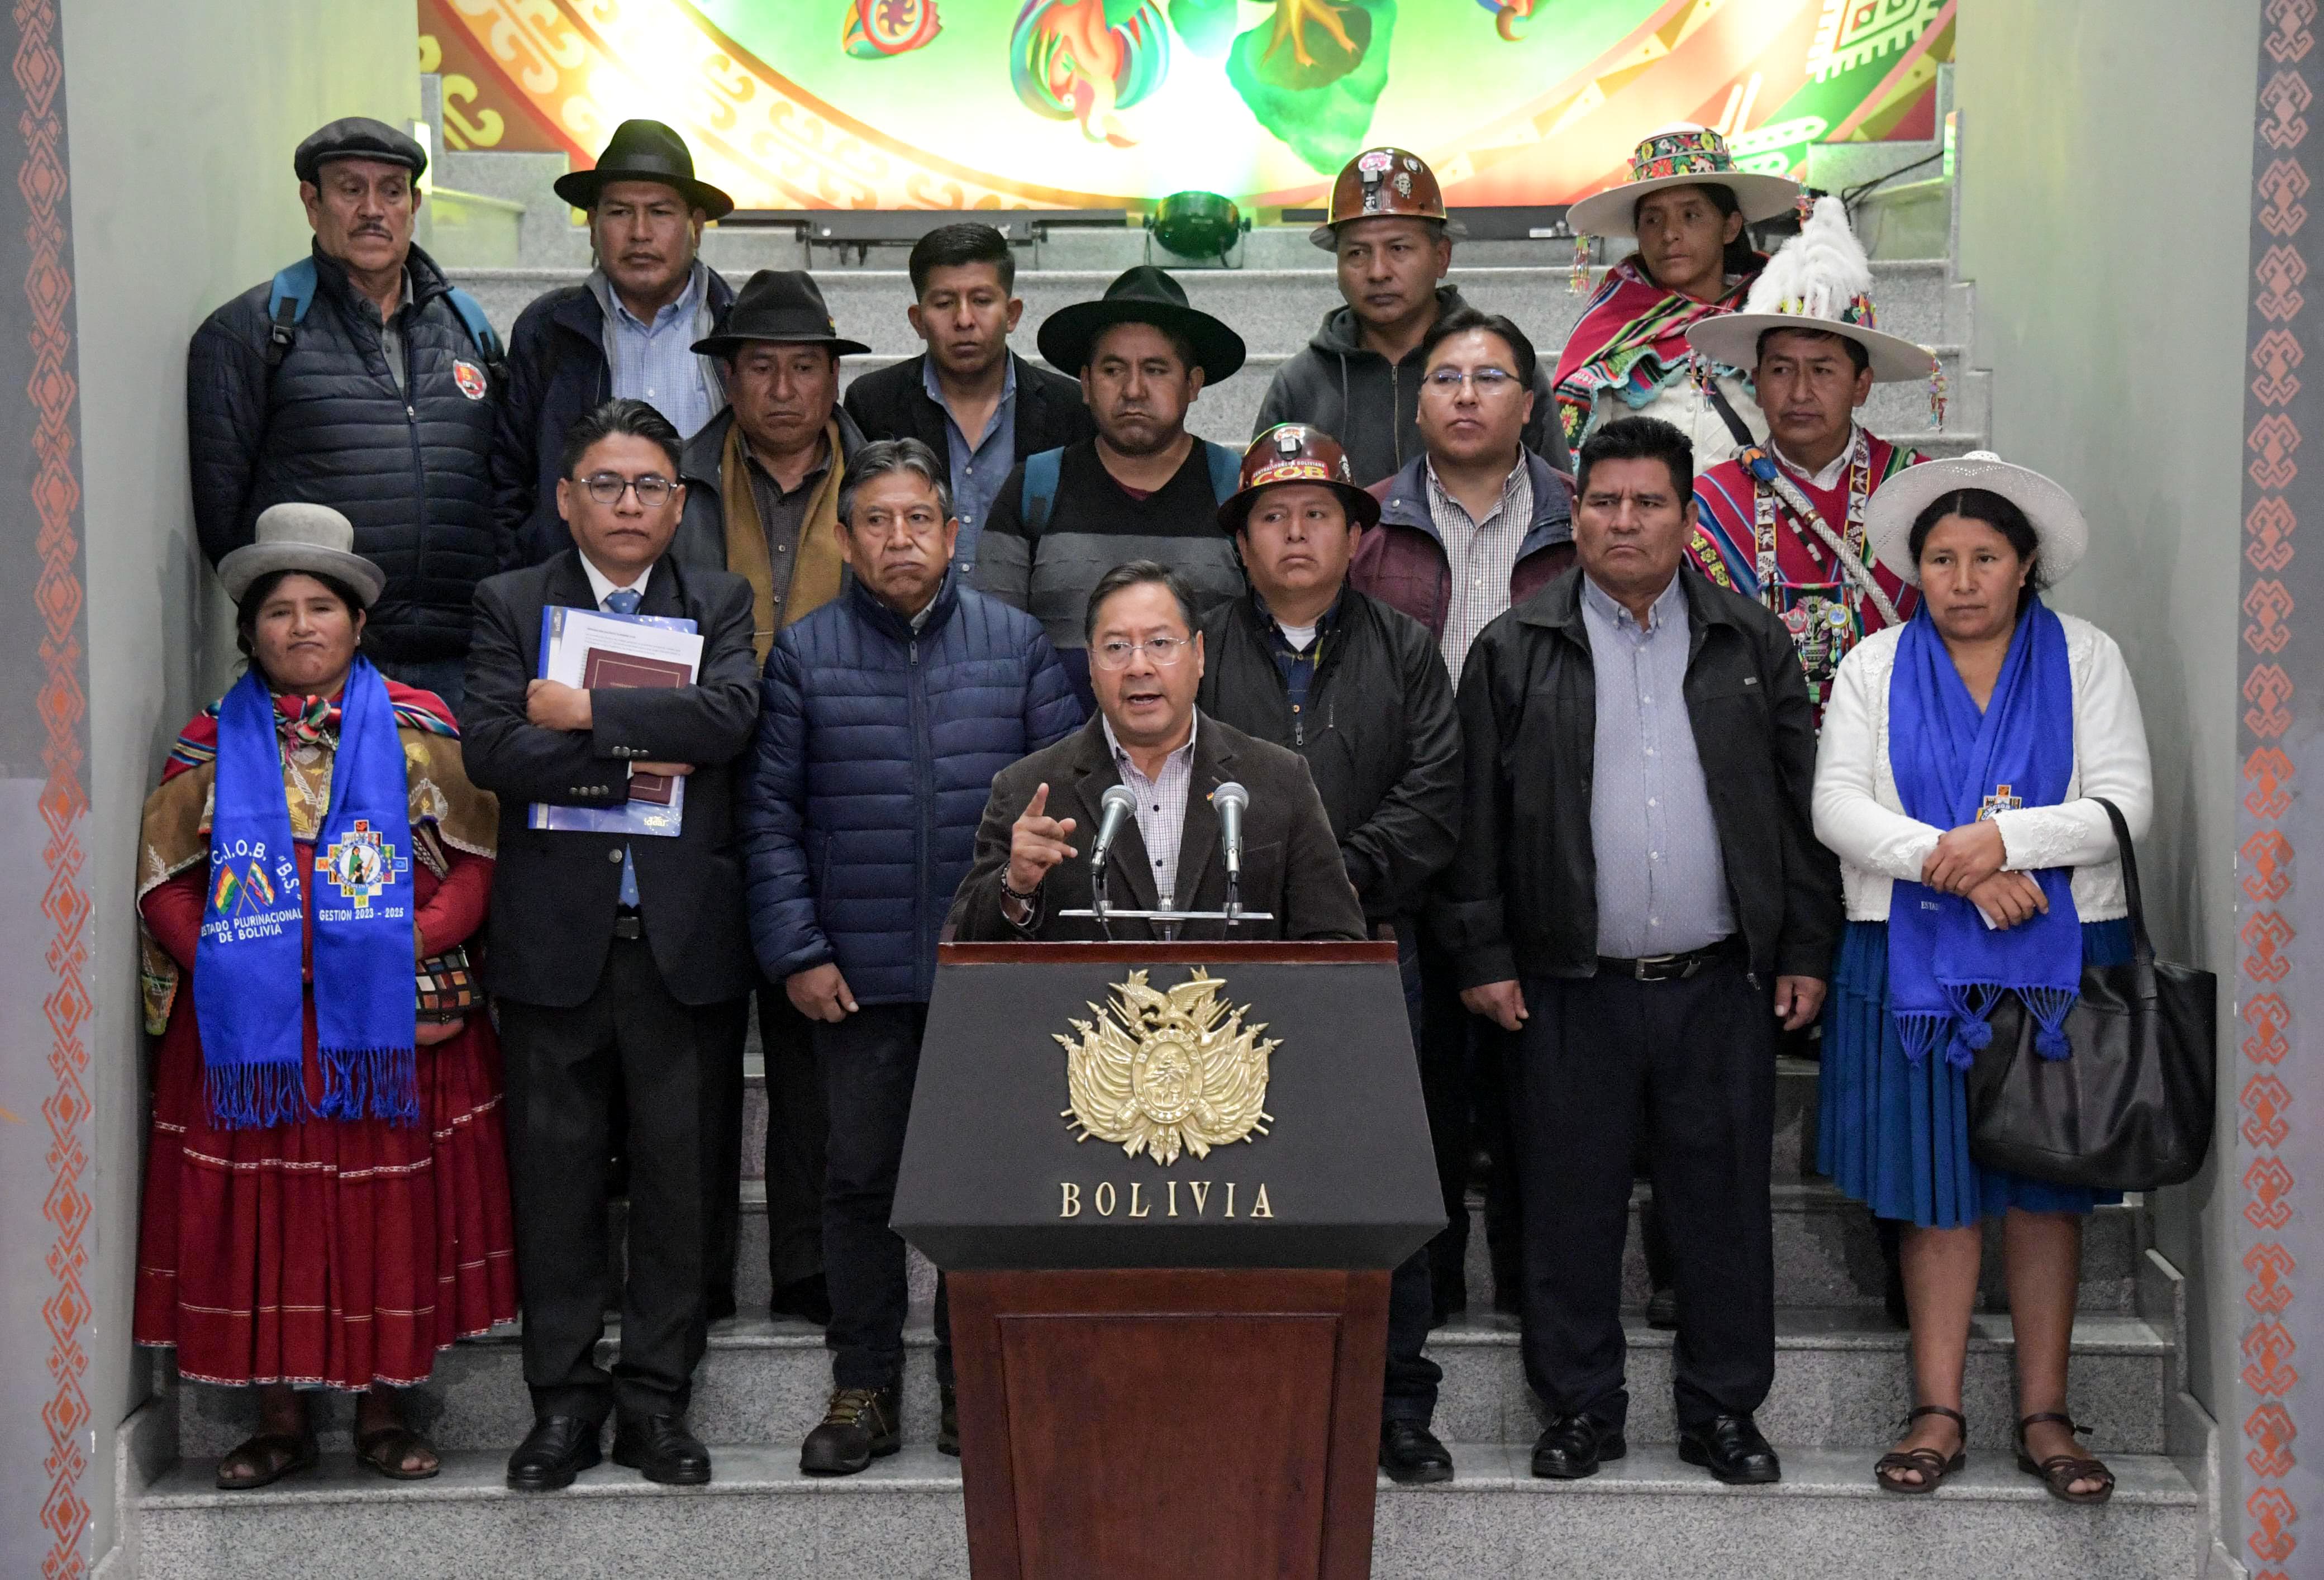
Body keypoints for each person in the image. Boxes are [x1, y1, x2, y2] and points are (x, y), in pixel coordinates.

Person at [1442, 416, 1840, 1486]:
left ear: (1684, 512)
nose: (1625, 521)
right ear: (1577, 514)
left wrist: (1805, 943)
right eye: (1605, 502)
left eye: (1648, 502)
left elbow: (1799, 812)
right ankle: (1579, 1407)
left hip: (1718, 980)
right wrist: (1482, 952)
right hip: (1569, 985)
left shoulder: (1747, 643)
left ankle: (1722, 1411)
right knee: (1566, 1207)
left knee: (1721, 1209)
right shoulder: (1515, 648)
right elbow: (1473, 815)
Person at [132, 503, 515, 1488]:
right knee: (266, 1216)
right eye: (278, 611)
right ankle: (276, 1419)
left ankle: (384, 1410)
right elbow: (166, 880)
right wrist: (233, 954)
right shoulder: (207, 745)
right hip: (253, 1030)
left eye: (321, 607)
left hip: (379, 1023)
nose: (301, 627)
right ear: (251, 630)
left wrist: (380, 950)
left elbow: (475, 866)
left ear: (357, 622)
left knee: (377, 1216)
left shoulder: (426, 730)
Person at [740, 437, 1080, 1476]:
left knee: (987, 1186)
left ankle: (977, 1380)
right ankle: (866, 1385)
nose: (899, 538)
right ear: (845, 538)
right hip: (858, 974)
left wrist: (1032, 951)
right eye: (876, 520)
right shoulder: (803, 653)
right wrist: (797, 949)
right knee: (860, 1184)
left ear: (953, 528)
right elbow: (768, 819)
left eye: (918, 518)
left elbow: (1062, 809)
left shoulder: (1017, 646)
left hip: (991, 970)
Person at [1815, 454, 2150, 1505]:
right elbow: (1837, 805)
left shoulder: (2087, 657)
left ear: (2025, 564)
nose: (1961, 578)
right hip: (1911, 964)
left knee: (2047, 1194)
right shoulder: (1872, 662)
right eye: (1942, 558)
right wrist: (1957, 871)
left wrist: (2000, 840)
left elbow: (2123, 804)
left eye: (1986, 558)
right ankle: (1939, 1408)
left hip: (2058, 963)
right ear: (1917, 567)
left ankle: (2047, 1412)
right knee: (1937, 1193)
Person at [461, 399, 761, 1492]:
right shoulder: (509, 602)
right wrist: (643, 745)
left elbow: (729, 722)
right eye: (607, 484)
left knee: (683, 1188)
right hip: (553, 941)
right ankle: (561, 1405)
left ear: (676, 504)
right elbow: (495, 749)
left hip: (680, 940)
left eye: (648, 487)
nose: (629, 504)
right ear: (566, 497)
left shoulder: (718, 600)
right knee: (556, 1184)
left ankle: (654, 1403)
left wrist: (582, 712)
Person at [1194, 425, 1460, 1484]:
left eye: (1317, 514)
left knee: (1379, 1181)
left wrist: (1331, 881)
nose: (1295, 533)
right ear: (1244, 540)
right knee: (1232, 1181)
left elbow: (1436, 796)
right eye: (1272, 515)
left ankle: (1397, 1398)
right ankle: (1244, 1391)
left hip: (1369, 957)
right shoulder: (1197, 644)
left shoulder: (1407, 648)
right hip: (1226, 963)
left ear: (1356, 533)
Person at [1353, 305, 1574, 1325]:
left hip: (1549, 842)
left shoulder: (1586, 518)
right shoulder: (1364, 523)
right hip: (1407, 837)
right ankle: (1427, 1292)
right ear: (1417, 400)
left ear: (1530, 402)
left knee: (1543, 1095)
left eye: (1491, 377)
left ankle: (1539, 1291)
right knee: (1418, 1088)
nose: (1468, 395)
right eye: (1446, 377)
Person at [672, 268, 870, 1325]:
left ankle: (809, 1266)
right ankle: (692, 1279)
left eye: (804, 367)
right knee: (696, 1047)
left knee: (816, 1045)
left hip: (833, 788)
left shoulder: (877, 481)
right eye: (761, 367)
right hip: (697, 787)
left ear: (835, 379)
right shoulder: (679, 479)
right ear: (729, 378)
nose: (784, 388)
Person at [188, 118, 506, 708]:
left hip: (464, 664)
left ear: (414, 204)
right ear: (312, 202)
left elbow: (504, 487)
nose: (372, 210)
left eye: (391, 191)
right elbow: (227, 523)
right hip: (322, 672)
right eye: (350, 189)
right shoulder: (251, 332)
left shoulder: (471, 331)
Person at [950, 561, 1366, 945]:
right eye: (1116, 648)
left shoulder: (1278, 779)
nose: (1139, 666)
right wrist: (1015, 886)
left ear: (1199, 654)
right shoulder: (1030, 791)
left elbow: (1335, 941)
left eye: (1160, 643)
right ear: (1091, 666)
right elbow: (967, 950)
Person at [1684, 196, 1935, 720]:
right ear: (1754, 383)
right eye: (1780, 370)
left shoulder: (1918, 490)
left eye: (1823, 370)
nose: (1799, 392)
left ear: (1861, 385)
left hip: (1895, 749)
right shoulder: (1710, 502)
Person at [973, 266, 1250, 707]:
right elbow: (989, 650)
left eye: (1156, 370)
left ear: (1193, 384)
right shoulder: (1035, 487)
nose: (1133, 390)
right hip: (1061, 762)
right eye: (1113, 369)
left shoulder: (1239, 490)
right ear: (1085, 384)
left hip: (1210, 765)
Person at [493, 119, 739, 565]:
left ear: (696, 225)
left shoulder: (735, 330)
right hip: (575, 589)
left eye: (661, 212)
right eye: (620, 212)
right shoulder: (549, 330)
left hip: (712, 585)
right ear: (592, 226)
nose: (640, 232)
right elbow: (507, 477)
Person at [1255, 147, 1568, 484]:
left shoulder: (1502, 365)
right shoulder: (1301, 383)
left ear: (1441, 257)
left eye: (1398, 249)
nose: (1378, 272)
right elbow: (1261, 512)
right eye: (1357, 253)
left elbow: (1557, 498)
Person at [841, 222, 1096, 574]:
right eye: (944, 303)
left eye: (982, 301)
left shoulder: (1069, 406)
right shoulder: (874, 403)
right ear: (917, 321)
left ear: (1012, 314)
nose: (964, 320)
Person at [1553, 123, 1801, 467]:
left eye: (1691, 216)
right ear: (1637, 233)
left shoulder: (1779, 315)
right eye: (1653, 220)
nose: (1670, 234)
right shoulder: (1609, 324)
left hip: (1751, 516)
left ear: (1730, 226)